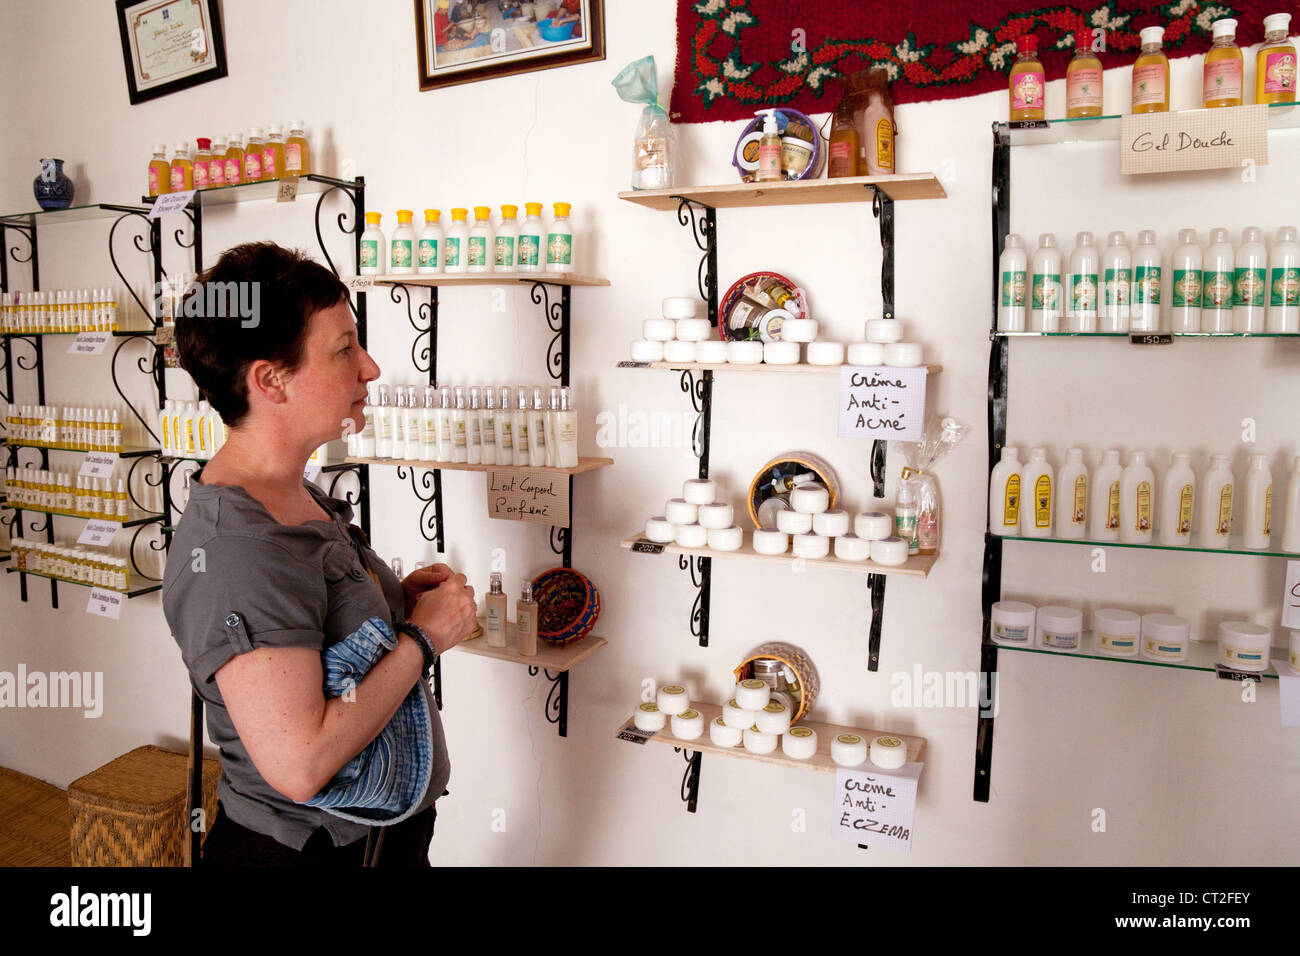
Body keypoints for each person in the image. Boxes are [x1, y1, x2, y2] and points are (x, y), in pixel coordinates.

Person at [162, 242, 477, 866]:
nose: (370, 367)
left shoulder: (291, 493)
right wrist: (421, 639)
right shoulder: (237, 551)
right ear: (270, 380)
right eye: (344, 348)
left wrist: (391, 607)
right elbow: (301, 763)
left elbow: (318, 636)